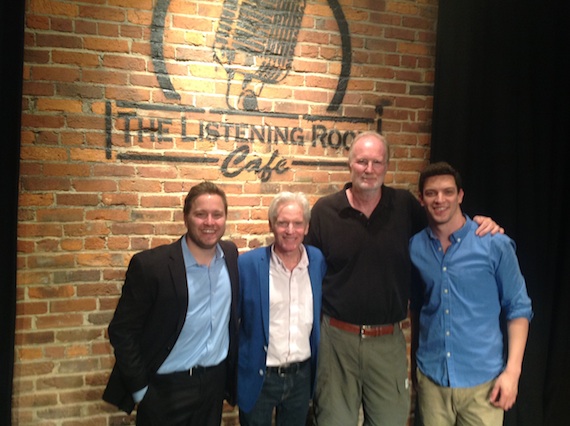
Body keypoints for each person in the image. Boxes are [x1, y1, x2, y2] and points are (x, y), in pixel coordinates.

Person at [303, 131, 502, 426]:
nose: (369, 169)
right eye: (362, 162)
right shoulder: (325, 211)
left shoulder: (405, 206)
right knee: (332, 421)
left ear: (386, 167)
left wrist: (477, 224)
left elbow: (442, 229)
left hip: (387, 342)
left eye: (377, 162)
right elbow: (308, 273)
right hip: (337, 340)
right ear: (350, 164)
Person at [102, 181, 239, 426]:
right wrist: (142, 390)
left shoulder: (230, 255)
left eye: (217, 215)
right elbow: (122, 331)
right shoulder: (151, 266)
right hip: (164, 389)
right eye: (200, 214)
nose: (210, 222)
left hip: (213, 385)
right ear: (186, 217)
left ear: (225, 218)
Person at [409, 161, 532, 426]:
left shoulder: (494, 244)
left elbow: (519, 308)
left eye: (448, 191)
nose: (439, 199)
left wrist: (513, 372)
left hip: (483, 384)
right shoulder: (415, 247)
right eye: (431, 193)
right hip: (433, 381)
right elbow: (418, 307)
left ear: (460, 195)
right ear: (421, 199)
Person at [238, 192, 327, 426]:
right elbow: (234, 322)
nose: (290, 230)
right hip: (261, 377)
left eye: (298, 223)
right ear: (271, 225)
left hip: (301, 377)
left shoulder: (317, 261)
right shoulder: (248, 265)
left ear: (306, 227)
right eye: (283, 223)